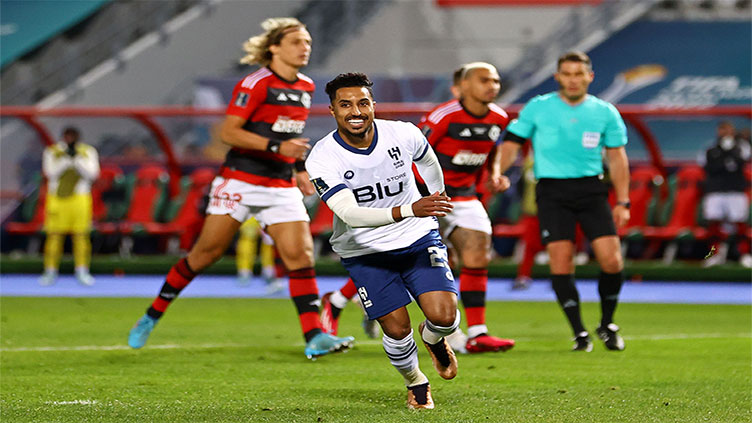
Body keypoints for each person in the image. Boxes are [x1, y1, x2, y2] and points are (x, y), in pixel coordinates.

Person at [128, 17, 354, 359]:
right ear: (274, 47)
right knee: (206, 254)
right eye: (296, 42)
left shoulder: (306, 86)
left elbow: (288, 135)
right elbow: (229, 133)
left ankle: (314, 336)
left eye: (307, 42)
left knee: (301, 255)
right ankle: (152, 314)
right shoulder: (257, 83)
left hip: (280, 184)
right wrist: (278, 149)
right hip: (240, 180)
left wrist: (298, 168)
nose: (304, 47)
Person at [307, 73, 460, 409]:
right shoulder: (322, 158)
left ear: (373, 105)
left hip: (417, 237)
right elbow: (350, 214)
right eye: (345, 105)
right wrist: (412, 207)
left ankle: (433, 338)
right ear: (332, 110)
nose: (355, 111)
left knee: (445, 317)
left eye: (363, 103)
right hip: (365, 250)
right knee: (395, 328)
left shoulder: (403, 133)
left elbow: (427, 157)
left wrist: (438, 194)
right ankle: (416, 382)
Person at [492, 51, 630, 352]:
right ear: (558, 77)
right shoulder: (538, 107)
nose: (572, 80)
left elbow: (618, 159)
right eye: (566, 74)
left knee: (612, 260)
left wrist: (623, 201)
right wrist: (497, 172)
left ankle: (607, 324)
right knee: (562, 262)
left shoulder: (605, 112)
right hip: (552, 192)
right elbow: (512, 143)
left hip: (592, 190)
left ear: (589, 77)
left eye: (578, 74)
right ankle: (579, 331)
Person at [416, 62, 515, 354]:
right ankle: (344, 300)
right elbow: (414, 153)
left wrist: (494, 174)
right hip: (429, 198)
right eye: (484, 80)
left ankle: (477, 332)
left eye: (496, 81)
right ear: (465, 85)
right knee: (421, 262)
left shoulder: (498, 117)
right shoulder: (443, 116)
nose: (492, 86)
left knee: (478, 253)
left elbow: (493, 150)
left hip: (466, 196)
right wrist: (421, 196)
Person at [39, 127, 100, 286]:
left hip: (80, 198)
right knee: (54, 235)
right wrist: (66, 160)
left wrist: (77, 160)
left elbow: (93, 174)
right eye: (67, 136)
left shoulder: (88, 151)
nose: (70, 139)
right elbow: (50, 173)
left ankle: (82, 271)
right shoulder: (52, 151)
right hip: (57, 198)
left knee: (81, 235)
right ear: (63, 136)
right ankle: (50, 271)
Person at [699, 121, 751, 268]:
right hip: (715, 192)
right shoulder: (710, 149)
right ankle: (715, 255)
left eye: (728, 129)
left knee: (740, 224)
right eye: (722, 130)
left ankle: (744, 255)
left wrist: (728, 156)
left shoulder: (741, 146)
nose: (725, 132)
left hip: (736, 192)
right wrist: (725, 162)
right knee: (714, 225)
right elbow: (709, 167)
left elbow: (741, 162)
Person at [235, 217, 284, 292]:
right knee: (247, 238)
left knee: (268, 242)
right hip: (251, 213)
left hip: (268, 213)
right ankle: (244, 271)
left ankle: (268, 271)